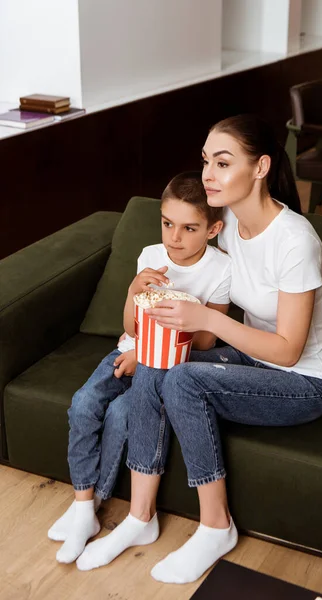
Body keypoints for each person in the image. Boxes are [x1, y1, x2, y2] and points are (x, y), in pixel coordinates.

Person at [75, 114, 322, 583]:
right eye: (205, 161)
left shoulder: (296, 241)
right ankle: (141, 517)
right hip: (250, 357)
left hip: (301, 382)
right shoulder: (228, 222)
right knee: (162, 362)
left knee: (184, 377)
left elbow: (290, 352)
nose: (208, 175)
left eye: (222, 162)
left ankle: (217, 525)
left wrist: (208, 319)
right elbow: (180, 230)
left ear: (260, 168)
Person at [49, 171, 231, 564]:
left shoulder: (221, 270)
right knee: (83, 404)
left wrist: (162, 338)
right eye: (167, 223)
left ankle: (98, 505)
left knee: (120, 413)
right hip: (129, 349)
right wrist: (134, 291)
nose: (174, 237)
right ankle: (82, 506)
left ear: (213, 229)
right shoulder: (151, 256)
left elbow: (204, 343)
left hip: (164, 362)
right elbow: (131, 327)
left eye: (189, 228)